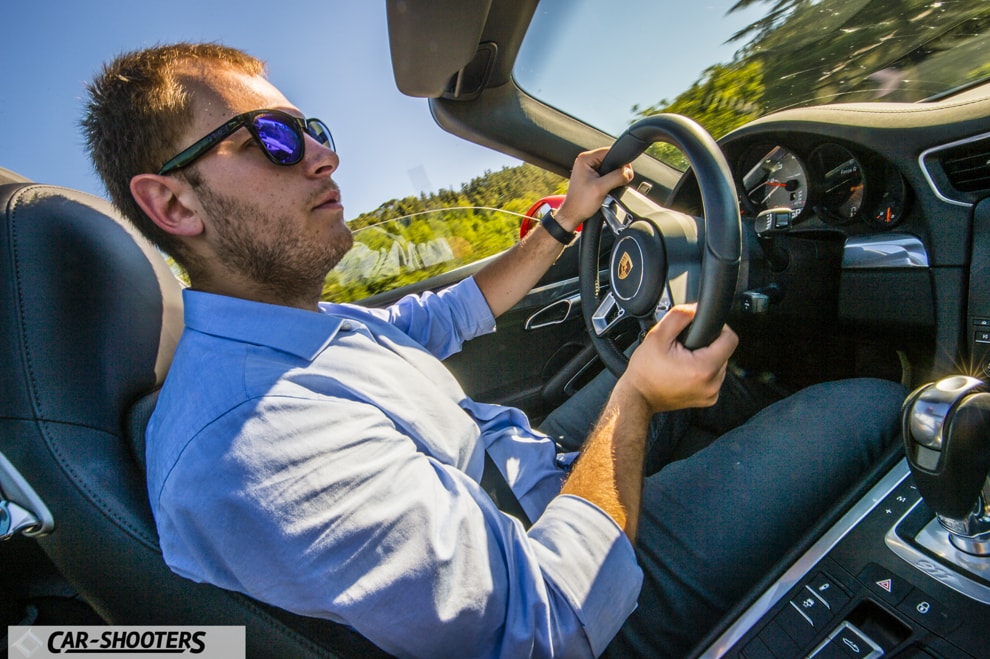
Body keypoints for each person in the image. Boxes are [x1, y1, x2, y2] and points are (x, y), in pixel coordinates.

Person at [81, 43, 904, 657]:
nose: (325, 154)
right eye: (273, 139)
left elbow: (449, 312)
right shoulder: (247, 449)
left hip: (528, 481)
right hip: (585, 598)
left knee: (728, 385)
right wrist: (639, 400)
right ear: (175, 203)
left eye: (313, 130)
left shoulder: (296, 332)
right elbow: (550, 619)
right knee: (870, 406)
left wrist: (565, 219)